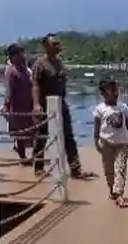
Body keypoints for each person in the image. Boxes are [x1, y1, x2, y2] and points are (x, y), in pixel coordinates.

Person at [32, 33, 92, 178]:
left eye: (58, 43)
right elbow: (35, 85)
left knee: (68, 136)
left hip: (61, 104)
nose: (58, 46)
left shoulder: (59, 63)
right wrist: (36, 104)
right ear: (46, 46)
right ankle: (38, 167)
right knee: (42, 136)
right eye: (54, 44)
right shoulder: (40, 64)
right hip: (45, 105)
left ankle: (75, 169)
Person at [92, 78, 128, 208]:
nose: (115, 93)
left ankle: (119, 194)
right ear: (103, 94)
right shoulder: (100, 109)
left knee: (120, 169)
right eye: (111, 91)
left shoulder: (123, 108)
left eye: (116, 90)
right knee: (108, 170)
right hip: (106, 143)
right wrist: (96, 141)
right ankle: (112, 189)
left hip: (122, 143)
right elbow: (97, 126)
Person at [2, 43, 37, 160]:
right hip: (17, 105)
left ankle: (30, 155)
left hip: (28, 104)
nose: (23, 55)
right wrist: (6, 105)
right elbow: (8, 89)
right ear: (14, 56)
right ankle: (22, 157)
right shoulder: (11, 71)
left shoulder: (25, 70)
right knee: (20, 132)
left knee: (31, 130)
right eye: (20, 53)